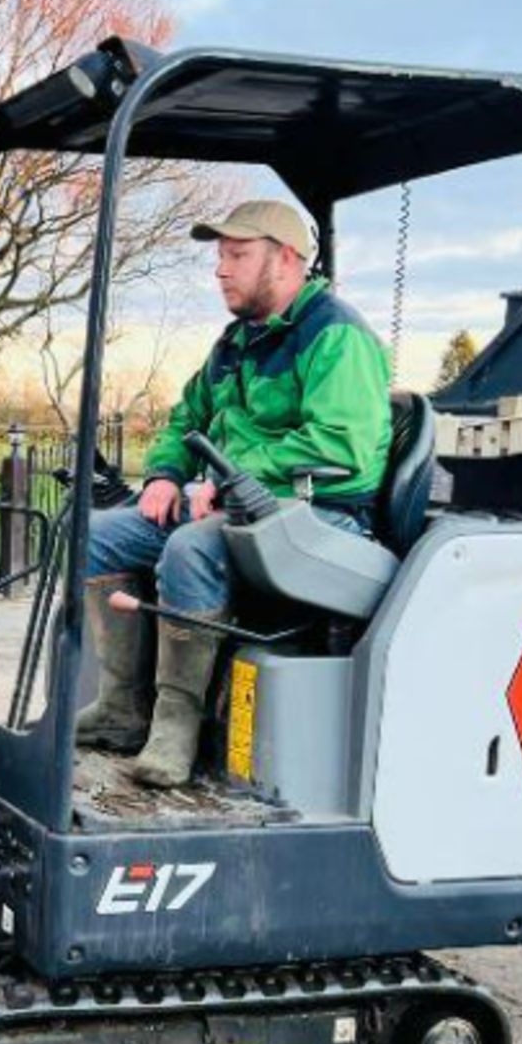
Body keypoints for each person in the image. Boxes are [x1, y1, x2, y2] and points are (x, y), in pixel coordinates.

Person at [77, 199, 392, 787]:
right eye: (221, 255)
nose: (221, 269)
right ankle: (122, 711)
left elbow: (339, 445)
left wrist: (227, 481)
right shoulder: (235, 343)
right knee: (95, 538)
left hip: (318, 516)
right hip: (237, 504)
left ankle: (176, 729)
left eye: (238, 255)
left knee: (192, 548)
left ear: (287, 260)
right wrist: (167, 474)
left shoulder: (336, 337)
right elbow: (184, 418)